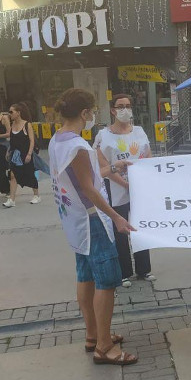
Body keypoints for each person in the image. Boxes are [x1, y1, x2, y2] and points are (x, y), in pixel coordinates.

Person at [49, 88, 138, 365]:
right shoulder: (77, 146)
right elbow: (89, 188)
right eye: (93, 111)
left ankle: (93, 335)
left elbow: (83, 178)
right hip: (92, 220)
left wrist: (111, 168)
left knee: (85, 275)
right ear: (85, 113)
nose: (93, 117)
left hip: (75, 220)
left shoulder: (57, 139)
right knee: (106, 281)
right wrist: (116, 217)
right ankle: (104, 346)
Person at [94, 94, 155, 287]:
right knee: (120, 229)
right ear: (113, 110)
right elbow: (103, 165)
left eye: (128, 106)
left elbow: (148, 156)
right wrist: (126, 184)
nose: (125, 110)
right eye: (120, 106)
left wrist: (143, 180)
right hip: (116, 189)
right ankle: (124, 272)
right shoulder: (103, 136)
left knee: (140, 226)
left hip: (139, 189)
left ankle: (144, 269)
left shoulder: (139, 131)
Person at [3, 102, 40, 207]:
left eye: (11, 112)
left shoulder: (27, 125)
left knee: (30, 174)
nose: (9, 114)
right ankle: (12, 199)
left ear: (18, 113)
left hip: (25, 153)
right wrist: (8, 151)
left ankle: (36, 195)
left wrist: (29, 154)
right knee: (13, 175)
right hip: (15, 155)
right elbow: (12, 140)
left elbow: (32, 141)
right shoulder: (12, 125)